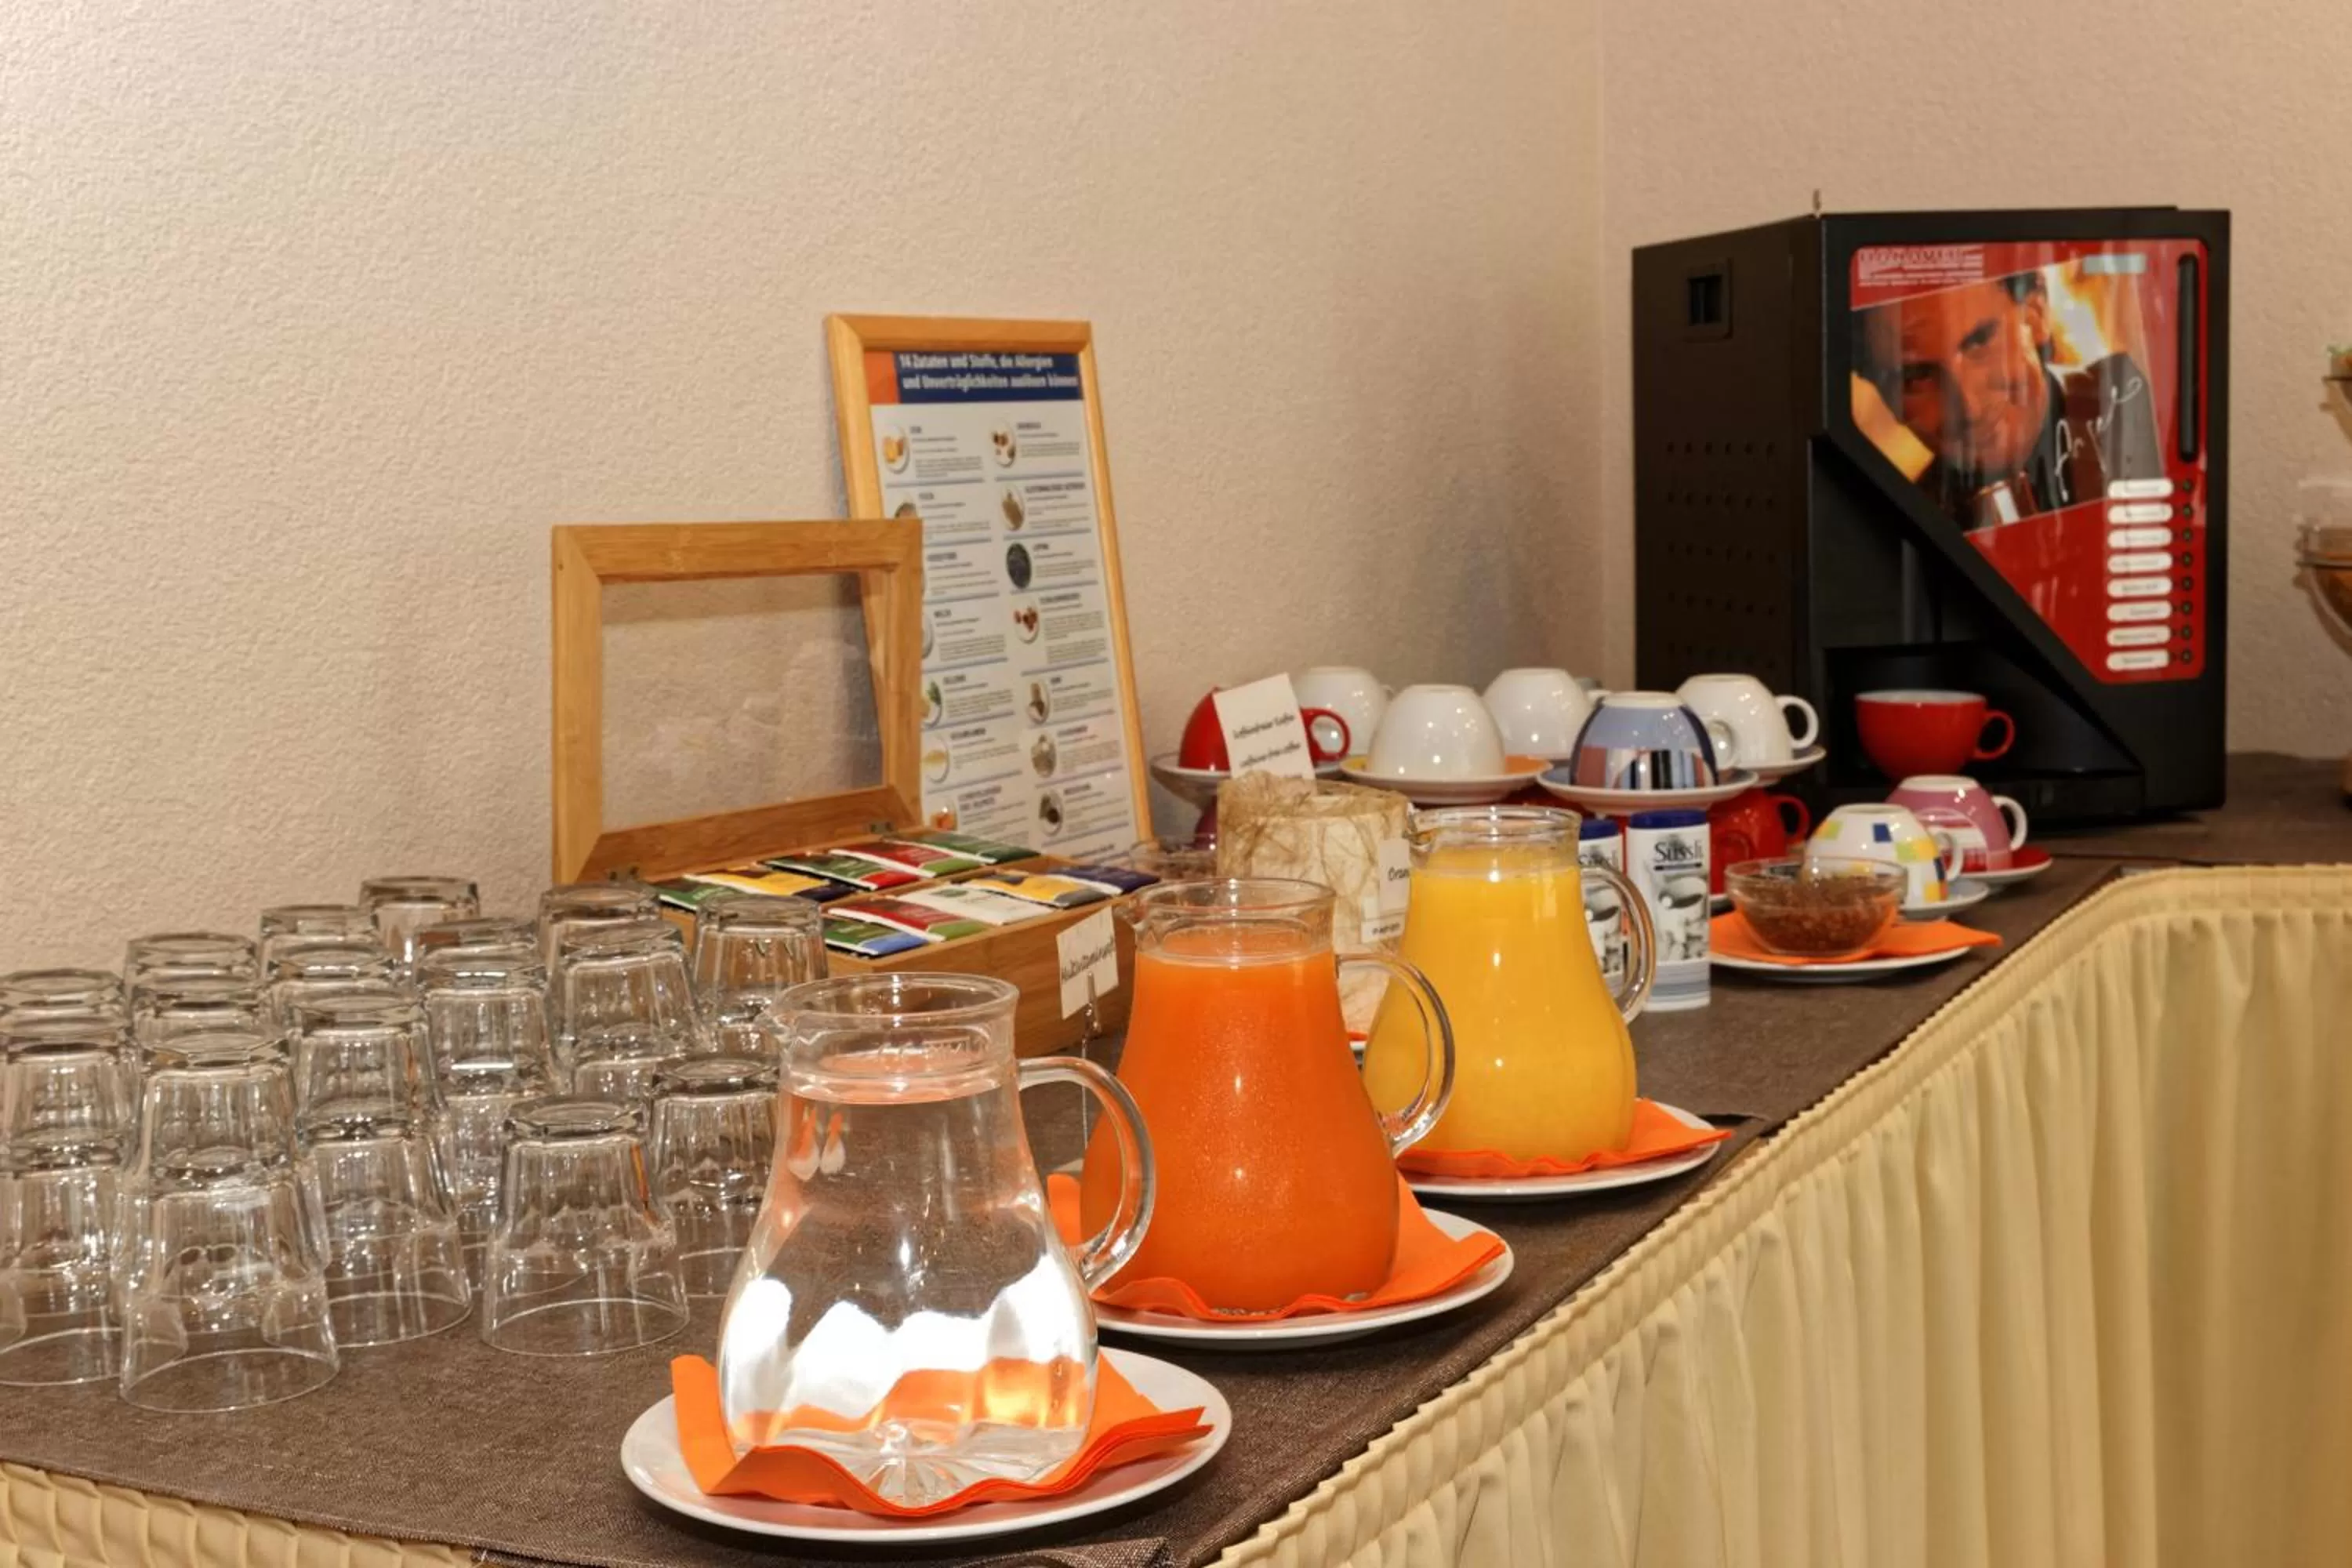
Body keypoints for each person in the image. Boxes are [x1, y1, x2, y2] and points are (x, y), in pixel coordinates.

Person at [1853, 268, 2160, 532]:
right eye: (1917, 377)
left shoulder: (2148, 407)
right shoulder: (1904, 528)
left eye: (1980, 341)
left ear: (2036, 313)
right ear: (1886, 398)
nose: (1970, 406)